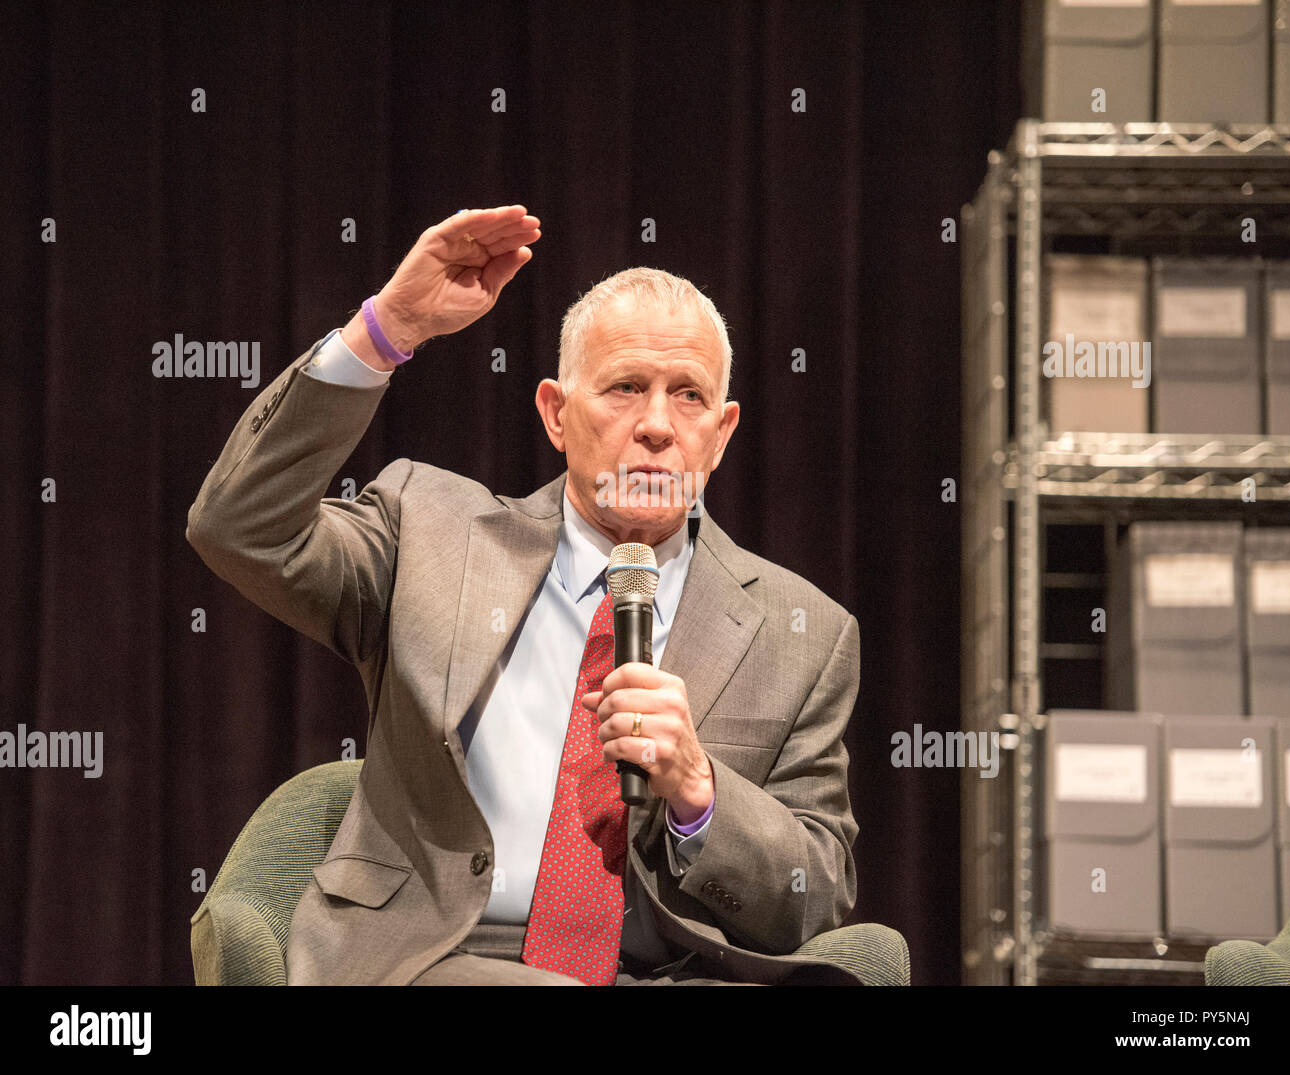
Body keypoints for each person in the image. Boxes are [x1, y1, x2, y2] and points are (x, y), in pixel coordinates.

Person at [186, 205, 871, 985]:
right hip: (439, 957)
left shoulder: (804, 631)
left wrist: (700, 791)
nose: (656, 424)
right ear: (555, 413)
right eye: (623, 387)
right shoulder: (432, 533)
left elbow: (814, 893)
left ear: (721, 433)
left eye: (689, 396)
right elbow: (239, 527)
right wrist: (385, 332)